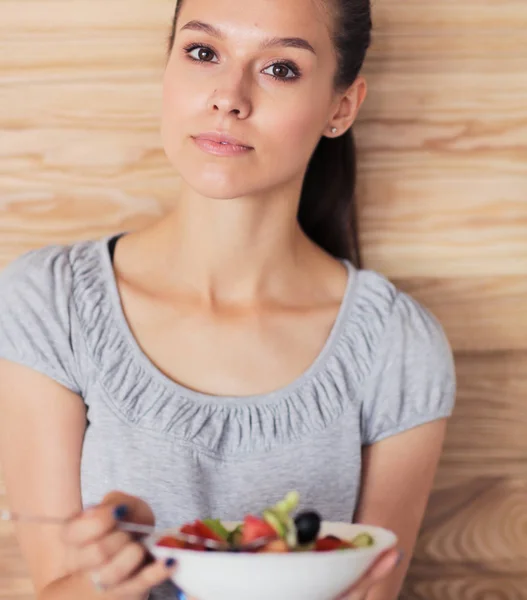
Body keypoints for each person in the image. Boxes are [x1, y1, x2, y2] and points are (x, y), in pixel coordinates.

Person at [0, 0, 456, 598]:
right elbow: (53, 586)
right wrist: (107, 579)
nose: (229, 96)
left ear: (340, 107)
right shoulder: (47, 303)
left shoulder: (399, 346)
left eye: (281, 69)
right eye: (203, 53)